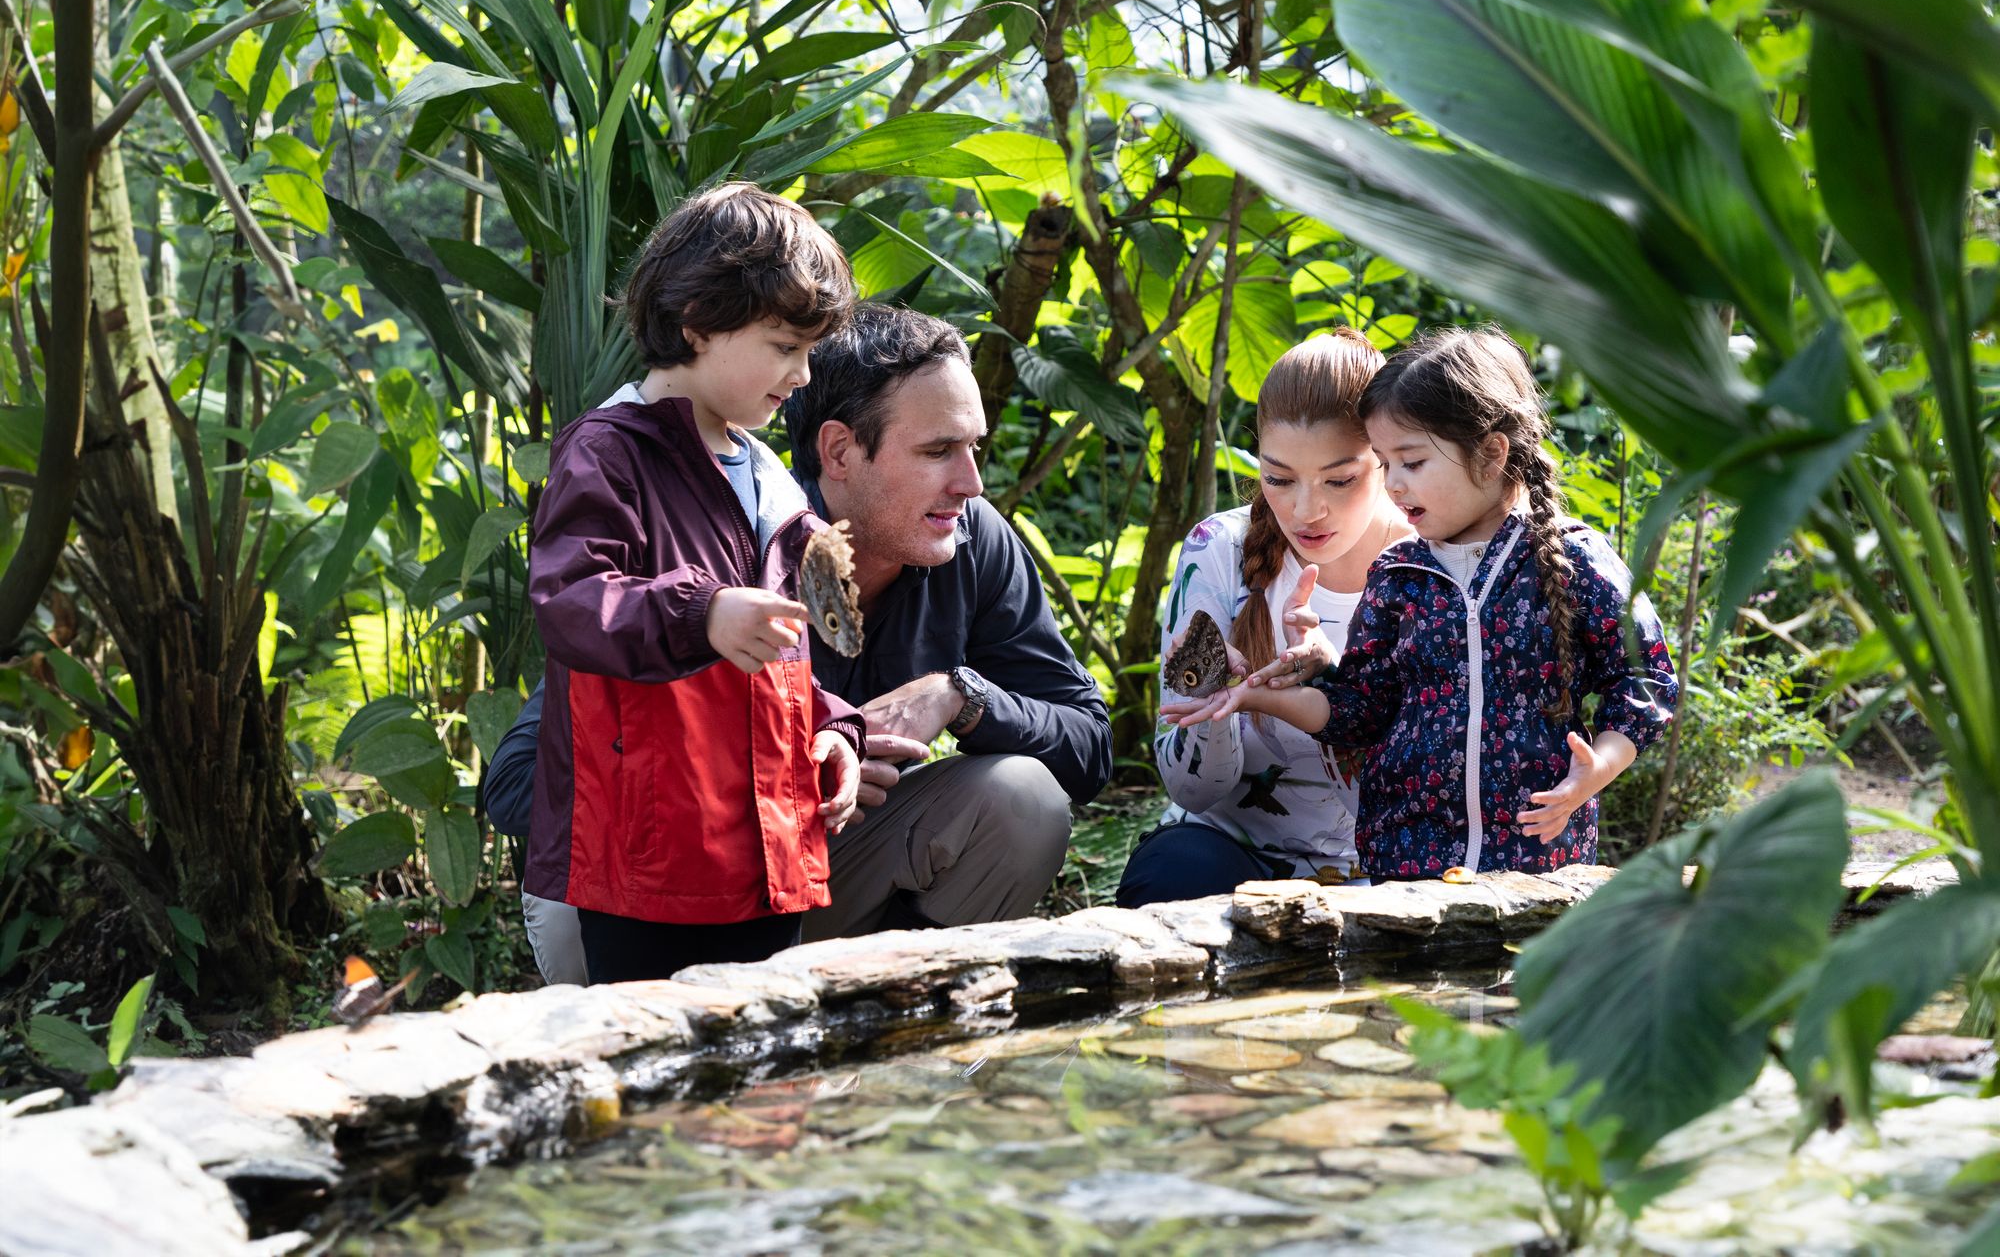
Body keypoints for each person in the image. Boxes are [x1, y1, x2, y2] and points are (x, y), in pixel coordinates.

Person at [486, 302, 1113, 982]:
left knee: (1024, 798)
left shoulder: (971, 537)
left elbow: (1089, 747)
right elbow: (516, 784)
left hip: (834, 877)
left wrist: (958, 696)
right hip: (670, 889)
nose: (972, 482)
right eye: (937, 452)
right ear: (839, 452)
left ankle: (898, 1026)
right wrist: (786, 780)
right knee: (576, 912)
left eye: (974, 448)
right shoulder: (742, 534)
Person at [1164, 325, 1677, 879]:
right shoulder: (1400, 574)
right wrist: (1253, 694)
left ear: (1490, 455)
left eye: (1408, 464)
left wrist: (1599, 766)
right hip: (1407, 866)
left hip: (1535, 860)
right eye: (1387, 465)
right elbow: (1357, 712)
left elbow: (1644, 675)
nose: (1395, 486)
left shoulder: (1569, 558)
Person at [522, 182, 863, 985]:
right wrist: (700, 611)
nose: (802, 374)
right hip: (652, 860)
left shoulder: (769, 475)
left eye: (809, 351)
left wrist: (834, 730)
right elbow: (571, 600)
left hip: (766, 850)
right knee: (655, 1048)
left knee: (767, 1044)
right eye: (784, 346)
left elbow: (781, 651)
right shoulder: (609, 452)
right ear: (699, 323)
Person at [1118, 330, 1410, 906]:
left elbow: (1430, 785)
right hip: (1229, 851)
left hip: (1384, 866)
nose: (1306, 511)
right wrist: (1214, 698)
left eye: (1339, 480)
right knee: (1171, 876)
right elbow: (1191, 791)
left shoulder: (1427, 566)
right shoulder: (1218, 548)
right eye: (1279, 479)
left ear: (1387, 460)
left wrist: (1333, 689)